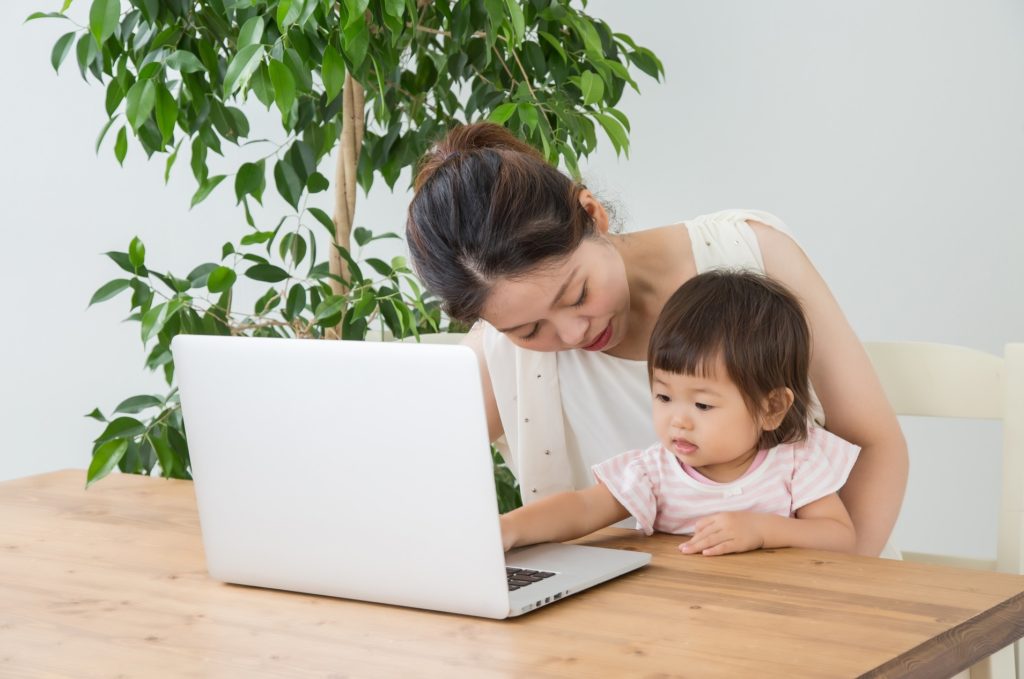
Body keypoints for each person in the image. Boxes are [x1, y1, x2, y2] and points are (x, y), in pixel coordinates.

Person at [405, 122, 907, 557]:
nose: (574, 332)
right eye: (529, 330)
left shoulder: (750, 255)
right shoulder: (498, 356)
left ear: (593, 215)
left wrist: (837, 587)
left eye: (577, 293)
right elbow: (404, 472)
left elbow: (874, 444)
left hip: (816, 592)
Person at [499, 270, 859, 555]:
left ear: (772, 408)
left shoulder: (796, 461)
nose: (678, 420)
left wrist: (760, 530)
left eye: (702, 405)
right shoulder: (654, 474)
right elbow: (582, 508)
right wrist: (509, 528)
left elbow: (839, 537)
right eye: (664, 397)